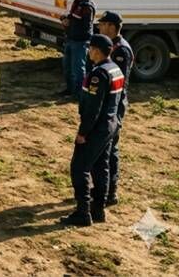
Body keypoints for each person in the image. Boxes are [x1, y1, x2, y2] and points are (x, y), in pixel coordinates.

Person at [61, 34, 125, 227]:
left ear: (96, 50)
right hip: (111, 125)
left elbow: (93, 108)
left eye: (90, 49)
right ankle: (98, 209)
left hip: (97, 128)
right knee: (101, 166)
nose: (89, 52)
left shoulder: (98, 74)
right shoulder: (115, 69)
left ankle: (82, 212)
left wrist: (83, 132)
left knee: (79, 167)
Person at [96, 12, 133, 206]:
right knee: (103, 149)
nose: (99, 27)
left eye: (102, 24)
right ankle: (103, 187)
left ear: (111, 26)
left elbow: (119, 82)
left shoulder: (120, 50)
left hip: (115, 105)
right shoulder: (113, 46)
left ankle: (110, 191)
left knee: (110, 149)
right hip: (109, 103)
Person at [59, 0, 96, 99]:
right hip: (71, 39)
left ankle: (78, 93)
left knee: (78, 69)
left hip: (80, 41)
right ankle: (69, 90)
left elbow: (86, 25)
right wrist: (65, 19)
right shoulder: (77, 2)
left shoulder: (87, 6)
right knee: (68, 67)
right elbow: (72, 15)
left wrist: (71, 22)